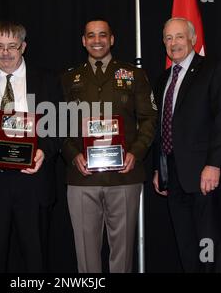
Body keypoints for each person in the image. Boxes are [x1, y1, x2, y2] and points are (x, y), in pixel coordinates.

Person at [0, 20, 61, 272]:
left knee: (36, 259)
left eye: (12, 46)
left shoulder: (46, 80)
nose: (5, 53)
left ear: (23, 47)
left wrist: (43, 152)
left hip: (33, 181)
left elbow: (60, 126)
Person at [61, 19, 157, 273]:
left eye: (102, 35)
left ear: (112, 39)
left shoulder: (134, 74)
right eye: (91, 35)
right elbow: (60, 124)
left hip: (124, 177)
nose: (97, 40)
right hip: (82, 178)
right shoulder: (69, 78)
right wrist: (73, 156)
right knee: (86, 256)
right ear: (83, 41)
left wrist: (136, 153)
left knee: (122, 255)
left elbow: (148, 119)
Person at [152, 17, 221, 272]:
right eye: (168, 38)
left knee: (208, 244)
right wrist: (159, 169)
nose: (173, 43)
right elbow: (162, 126)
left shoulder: (212, 68)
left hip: (203, 175)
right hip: (173, 176)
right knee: (186, 245)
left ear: (192, 39)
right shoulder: (164, 78)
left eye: (179, 36)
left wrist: (214, 164)